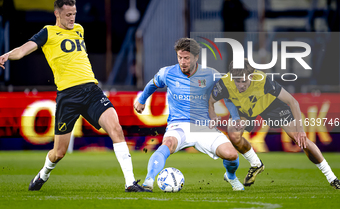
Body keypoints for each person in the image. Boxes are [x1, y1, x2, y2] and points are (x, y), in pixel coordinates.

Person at [0, 0, 150, 192]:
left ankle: (130, 183)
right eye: (68, 15)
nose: (72, 18)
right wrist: (7, 55)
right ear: (57, 14)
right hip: (68, 97)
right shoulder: (48, 32)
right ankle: (43, 174)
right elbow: (23, 50)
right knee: (59, 152)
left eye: (74, 14)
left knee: (117, 130)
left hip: (91, 90)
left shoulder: (79, 29)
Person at [209, 58, 340, 189]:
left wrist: (301, 130)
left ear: (252, 76)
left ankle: (332, 178)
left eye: (244, 81)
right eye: (237, 81)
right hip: (245, 109)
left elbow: (293, 102)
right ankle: (256, 164)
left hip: (269, 105)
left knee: (300, 140)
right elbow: (210, 101)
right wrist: (217, 115)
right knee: (233, 135)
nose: (241, 85)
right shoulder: (224, 83)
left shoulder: (262, 81)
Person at [134, 38, 244, 191]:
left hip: (203, 126)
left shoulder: (210, 74)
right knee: (168, 144)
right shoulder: (167, 72)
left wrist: (236, 117)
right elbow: (153, 84)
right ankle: (148, 181)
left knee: (231, 155)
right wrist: (142, 100)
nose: (183, 61)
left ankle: (231, 176)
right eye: (180, 57)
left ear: (196, 57)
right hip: (178, 124)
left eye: (186, 58)